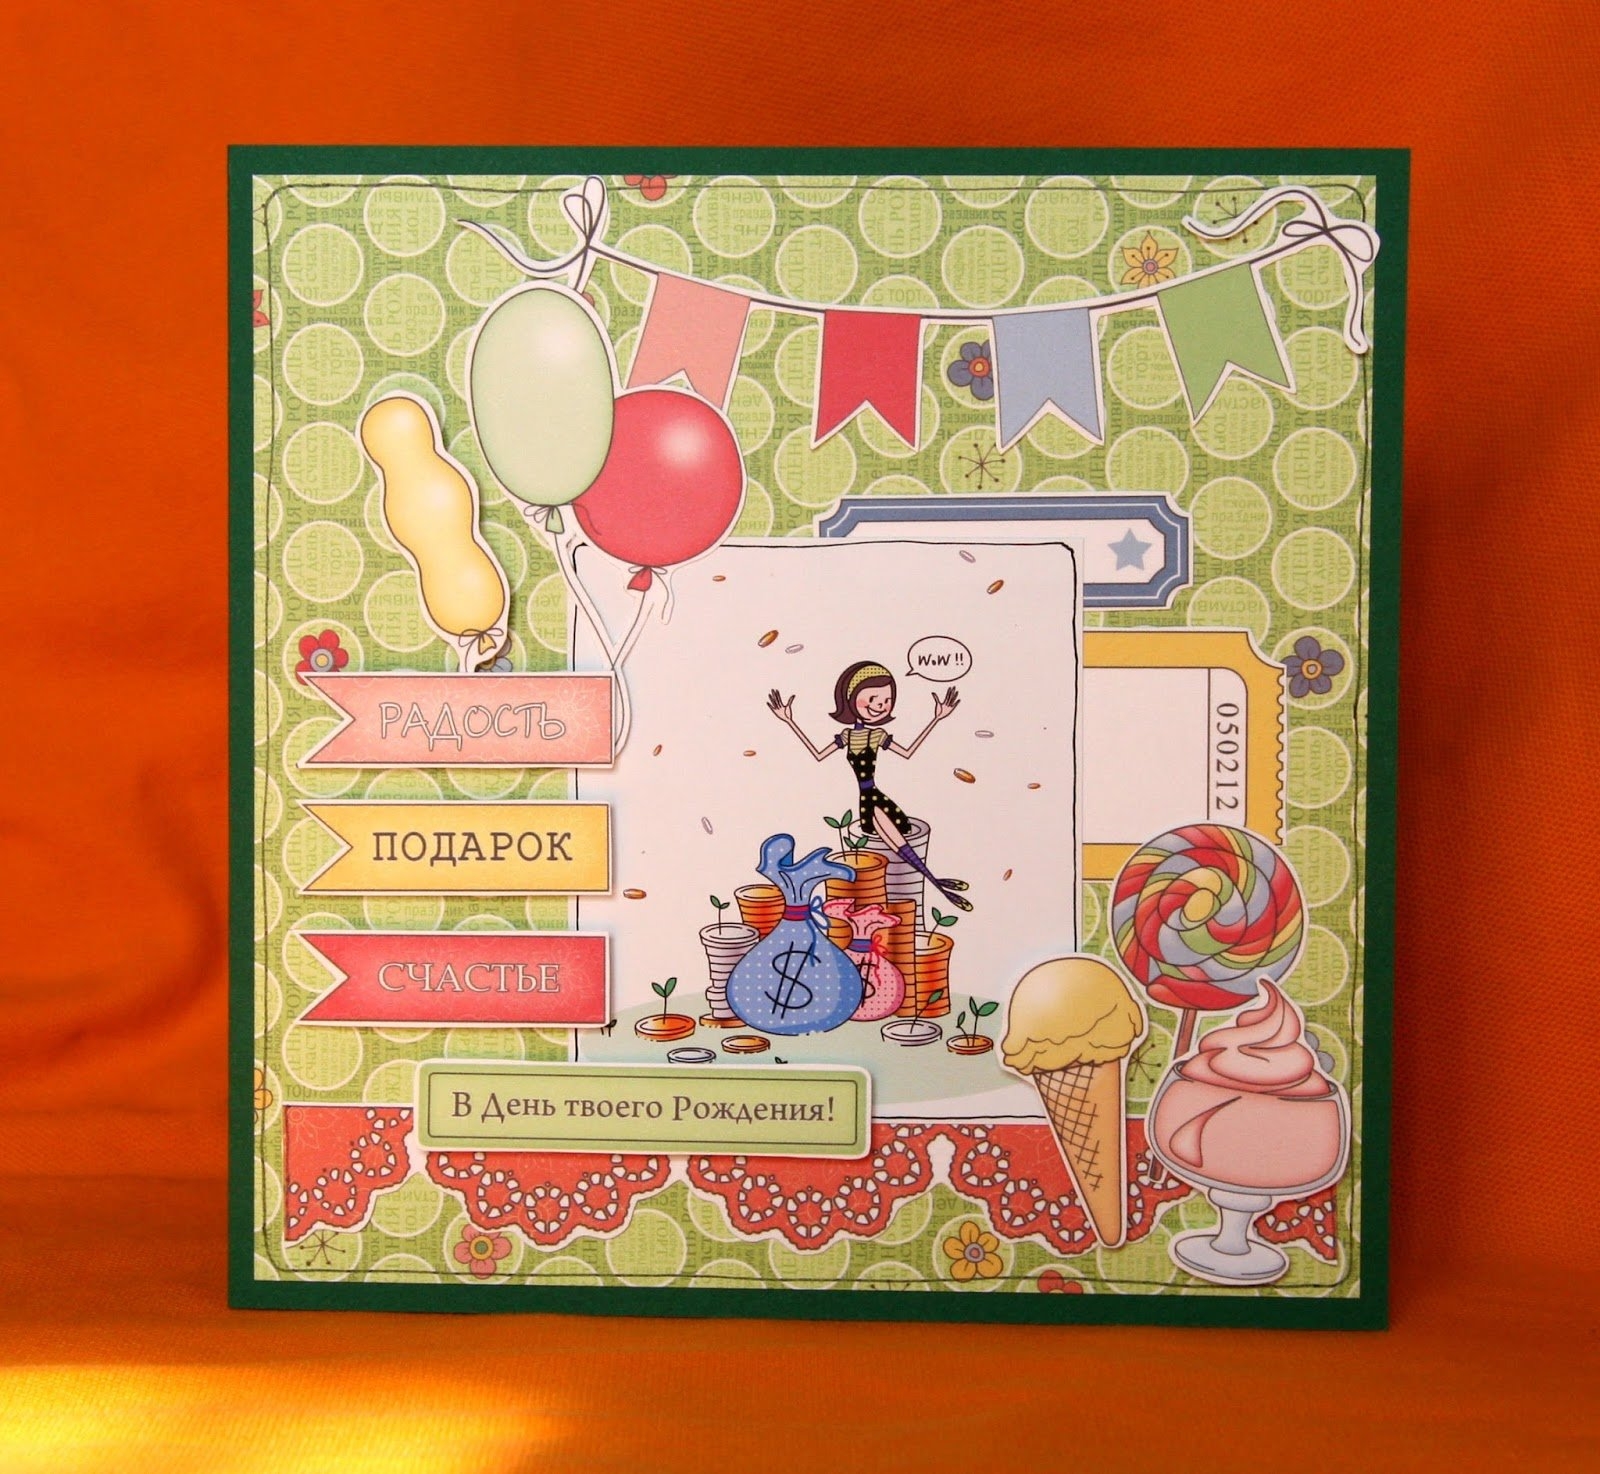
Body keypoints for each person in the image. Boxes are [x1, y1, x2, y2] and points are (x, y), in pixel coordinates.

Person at [767, 660, 971, 911]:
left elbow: (908, 752)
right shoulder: (847, 736)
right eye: (873, 698)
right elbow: (818, 754)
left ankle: (937, 884)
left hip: (875, 798)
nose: (880, 706)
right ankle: (938, 883)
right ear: (851, 699)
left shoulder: (877, 735)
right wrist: (789, 721)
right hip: (866, 799)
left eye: (887, 700)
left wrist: (936, 718)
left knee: (897, 843)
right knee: (893, 843)